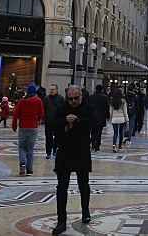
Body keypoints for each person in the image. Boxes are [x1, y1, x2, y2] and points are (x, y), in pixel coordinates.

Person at [48, 85, 95, 234]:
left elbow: (95, 122)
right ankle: (61, 220)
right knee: (61, 187)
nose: (74, 101)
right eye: (71, 99)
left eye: (76, 98)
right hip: (65, 151)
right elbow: (51, 125)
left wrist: (77, 121)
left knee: (83, 184)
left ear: (81, 96)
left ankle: (85, 211)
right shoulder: (62, 109)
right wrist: (64, 121)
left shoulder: (88, 107)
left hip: (81, 151)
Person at [12, 83, 45, 176]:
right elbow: (41, 114)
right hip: (33, 127)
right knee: (30, 148)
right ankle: (29, 170)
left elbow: (15, 114)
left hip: (23, 126)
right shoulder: (38, 101)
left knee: (22, 147)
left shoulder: (22, 101)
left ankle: (22, 163)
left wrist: (14, 125)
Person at [43, 83, 65, 158]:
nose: (51, 91)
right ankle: (48, 152)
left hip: (58, 121)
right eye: (50, 89)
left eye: (52, 89)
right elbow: (44, 108)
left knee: (57, 136)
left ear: (56, 90)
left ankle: (55, 149)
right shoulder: (46, 98)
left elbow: (63, 109)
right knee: (48, 137)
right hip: (49, 120)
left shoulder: (61, 98)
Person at [88, 84, 109, 152]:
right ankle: (97, 146)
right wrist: (108, 116)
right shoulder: (104, 97)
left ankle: (93, 144)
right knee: (99, 132)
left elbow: (88, 107)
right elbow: (107, 107)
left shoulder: (91, 97)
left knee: (93, 131)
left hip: (92, 116)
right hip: (101, 116)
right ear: (102, 89)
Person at [108, 87, 128, 153]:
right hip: (122, 118)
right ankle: (120, 145)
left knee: (115, 133)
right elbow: (125, 111)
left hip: (114, 118)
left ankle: (114, 144)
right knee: (121, 132)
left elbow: (110, 111)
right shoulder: (123, 101)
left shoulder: (111, 101)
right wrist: (127, 120)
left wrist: (110, 118)